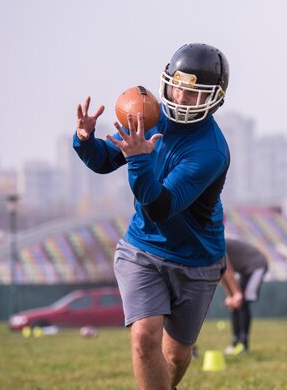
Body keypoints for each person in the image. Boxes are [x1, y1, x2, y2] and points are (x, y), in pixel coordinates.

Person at [73, 43, 231, 390]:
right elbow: (105, 160)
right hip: (142, 250)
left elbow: (160, 206)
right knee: (144, 336)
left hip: (195, 259)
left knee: (176, 355)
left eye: (194, 93)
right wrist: (86, 140)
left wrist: (139, 159)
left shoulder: (211, 151)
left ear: (214, 98)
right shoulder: (152, 114)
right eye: (178, 86)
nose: (182, 96)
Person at [219, 238, 268, 356]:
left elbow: (227, 270)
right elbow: (219, 272)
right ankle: (235, 343)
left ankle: (244, 345)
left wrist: (237, 293)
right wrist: (230, 295)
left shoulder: (215, 243)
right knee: (235, 304)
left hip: (256, 266)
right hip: (245, 271)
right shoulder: (207, 249)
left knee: (243, 302)